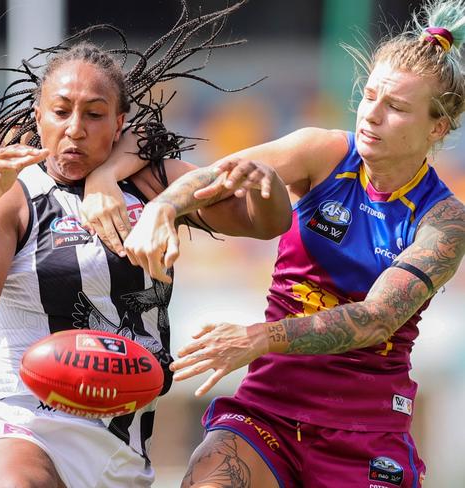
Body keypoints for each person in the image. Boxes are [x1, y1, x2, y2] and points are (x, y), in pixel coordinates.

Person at [0, 15, 292, 488]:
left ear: (120, 122)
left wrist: (264, 183)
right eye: (60, 112)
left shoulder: (153, 182)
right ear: (38, 117)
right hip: (15, 417)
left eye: (94, 114)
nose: (75, 129)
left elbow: (265, 222)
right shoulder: (15, 193)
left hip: (117, 440)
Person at [125, 1, 465, 486]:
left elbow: (376, 319)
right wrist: (163, 208)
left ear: (437, 127)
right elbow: (214, 176)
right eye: (369, 97)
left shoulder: (446, 220)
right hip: (268, 412)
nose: (372, 115)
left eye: (396, 108)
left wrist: (258, 338)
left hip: (365, 432)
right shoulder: (323, 151)